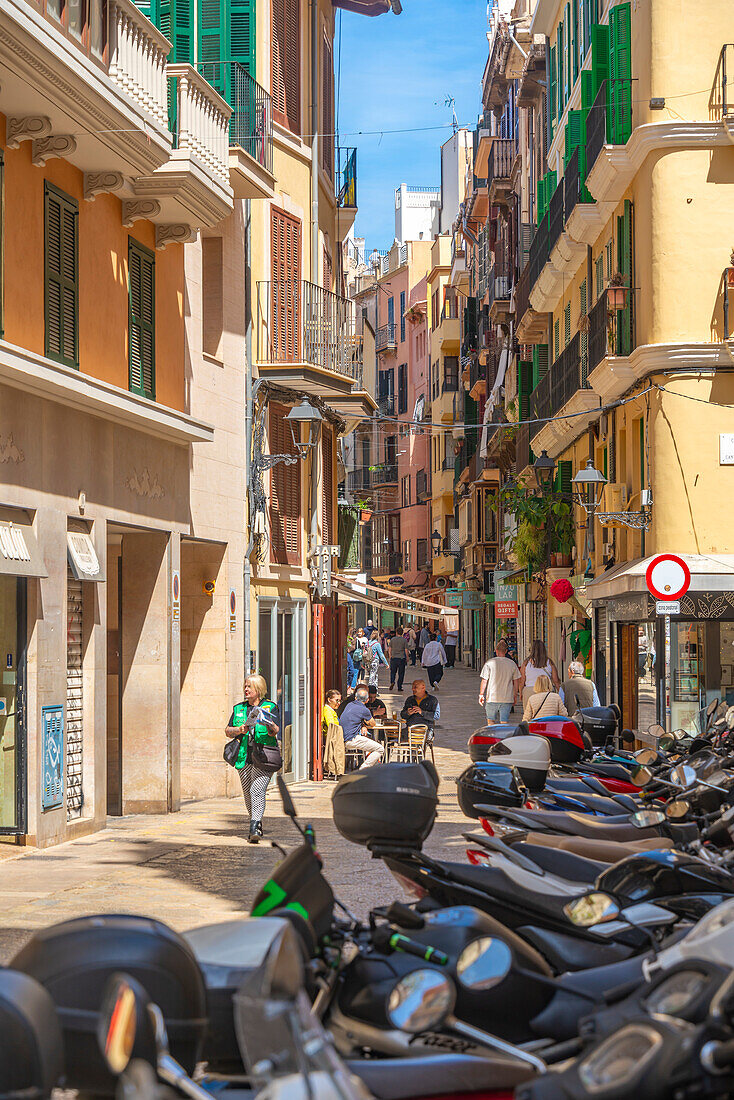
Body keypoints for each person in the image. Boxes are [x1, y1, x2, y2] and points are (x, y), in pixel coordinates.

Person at [225, 674, 281, 844]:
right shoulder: (238, 709)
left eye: (250, 686)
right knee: (248, 794)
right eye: (245, 686)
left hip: (264, 755)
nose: (246, 689)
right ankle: (256, 823)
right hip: (244, 757)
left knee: (257, 790)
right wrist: (239, 729)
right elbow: (227, 730)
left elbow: (275, 731)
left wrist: (269, 725)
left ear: (259, 689)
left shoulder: (270, 707)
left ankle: (254, 826)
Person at [339, 685, 385, 768]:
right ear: (367, 700)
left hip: (342, 738)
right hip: (352, 739)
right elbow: (372, 724)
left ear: (356, 698)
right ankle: (364, 768)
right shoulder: (364, 710)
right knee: (380, 748)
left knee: (371, 746)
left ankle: (372, 768)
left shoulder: (349, 705)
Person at [479, 640, 521, 723]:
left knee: (491, 722)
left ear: (496, 650)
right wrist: (515, 694)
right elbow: (516, 681)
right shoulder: (512, 664)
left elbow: (484, 680)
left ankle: (492, 735)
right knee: (504, 722)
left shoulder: (489, 663)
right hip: (507, 698)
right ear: (506, 651)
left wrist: (481, 694)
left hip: (492, 698)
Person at [517, 639, 561, 708]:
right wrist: (560, 693)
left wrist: (521, 693)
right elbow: (556, 681)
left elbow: (522, 681)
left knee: (529, 715)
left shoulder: (526, 663)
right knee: (545, 714)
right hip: (545, 691)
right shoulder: (549, 662)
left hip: (529, 691)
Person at [388, 623, 408, 691]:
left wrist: (390, 656)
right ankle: (399, 686)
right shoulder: (404, 640)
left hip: (394, 658)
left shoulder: (393, 639)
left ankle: (392, 681)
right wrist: (407, 657)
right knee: (401, 673)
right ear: (402, 633)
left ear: (396, 632)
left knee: (393, 672)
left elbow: (389, 648)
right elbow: (406, 650)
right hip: (401, 658)